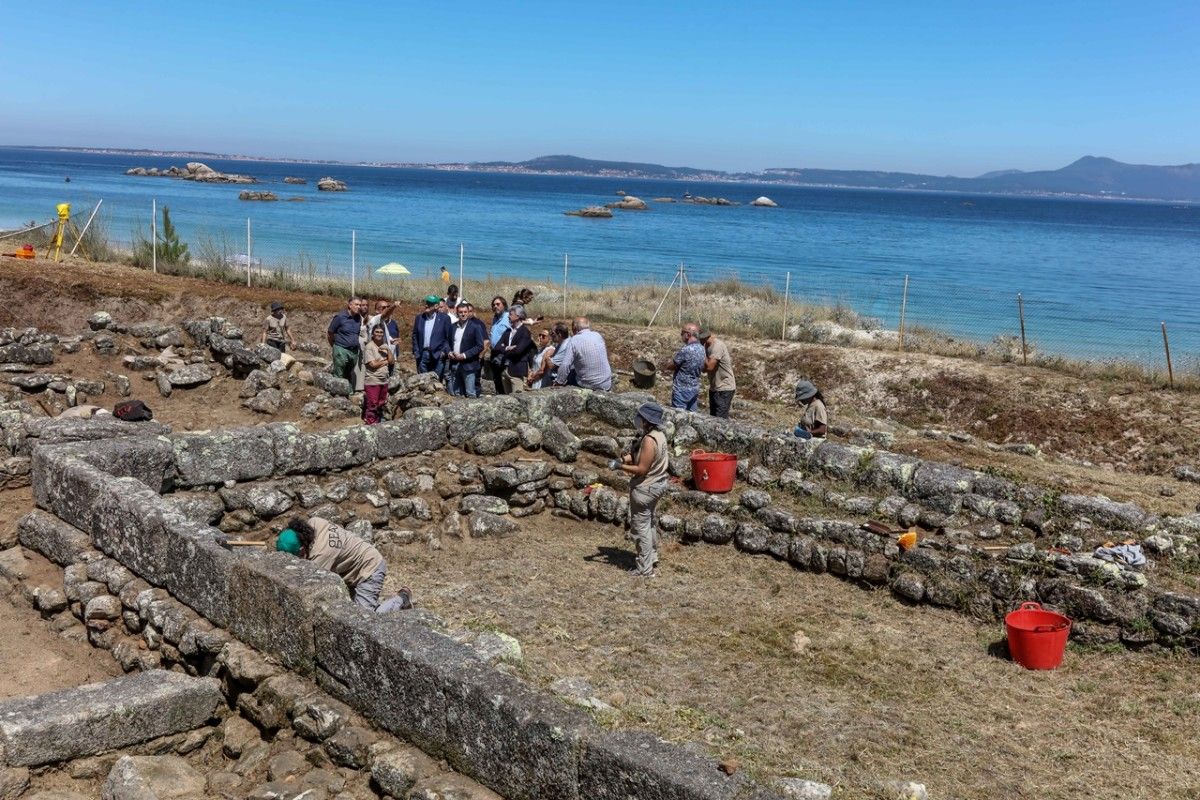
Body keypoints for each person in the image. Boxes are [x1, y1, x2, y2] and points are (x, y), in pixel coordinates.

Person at [276, 517, 411, 612]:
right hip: (353, 564)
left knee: (364, 621)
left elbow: (307, 584)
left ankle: (401, 599)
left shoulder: (322, 554)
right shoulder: (314, 523)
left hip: (369, 568)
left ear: (301, 550)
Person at [614, 402, 670, 578]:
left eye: (640, 417)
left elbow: (642, 469)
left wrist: (619, 466)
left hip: (646, 487)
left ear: (646, 420)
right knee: (649, 523)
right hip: (658, 485)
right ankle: (652, 558)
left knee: (640, 527)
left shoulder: (648, 440)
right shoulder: (659, 435)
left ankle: (645, 569)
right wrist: (628, 457)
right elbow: (644, 458)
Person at [551, 317, 613, 390]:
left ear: (574, 328)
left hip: (589, 385)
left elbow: (565, 365)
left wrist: (559, 382)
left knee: (570, 373)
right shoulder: (598, 335)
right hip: (606, 384)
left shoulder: (574, 340)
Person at [446, 302, 487, 397]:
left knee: (470, 393)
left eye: (465, 312)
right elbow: (446, 342)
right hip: (454, 363)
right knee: (456, 393)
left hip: (469, 365)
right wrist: (449, 352)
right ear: (457, 313)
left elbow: (480, 346)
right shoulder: (452, 327)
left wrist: (464, 355)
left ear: (468, 313)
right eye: (461, 312)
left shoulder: (475, 327)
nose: (463, 314)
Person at [493, 304, 535, 394]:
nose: (508, 316)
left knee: (518, 400)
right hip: (505, 370)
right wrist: (508, 348)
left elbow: (518, 351)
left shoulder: (525, 332)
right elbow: (497, 346)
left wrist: (504, 348)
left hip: (516, 371)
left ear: (518, 316)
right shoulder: (508, 331)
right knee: (507, 400)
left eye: (511, 314)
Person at [410, 295, 453, 379]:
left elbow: (448, 338)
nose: (426, 305)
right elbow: (415, 335)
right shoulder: (419, 318)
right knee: (422, 382)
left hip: (438, 355)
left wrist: (444, 352)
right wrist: (416, 351)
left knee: (436, 382)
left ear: (436, 306)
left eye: (429, 304)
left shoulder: (445, 319)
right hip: (422, 355)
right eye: (426, 303)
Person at [327, 296, 364, 384]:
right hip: (341, 349)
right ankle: (338, 395)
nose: (359, 307)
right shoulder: (340, 317)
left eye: (360, 305)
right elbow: (330, 332)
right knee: (339, 374)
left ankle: (349, 393)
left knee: (350, 374)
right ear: (350, 305)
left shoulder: (358, 318)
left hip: (354, 351)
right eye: (356, 304)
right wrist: (334, 346)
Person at [669, 323, 706, 411]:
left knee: (679, 415)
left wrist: (666, 366)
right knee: (693, 415)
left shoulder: (686, 350)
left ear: (688, 334)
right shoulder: (702, 348)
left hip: (681, 389)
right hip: (694, 387)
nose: (681, 335)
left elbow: (673, 365)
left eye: (682, 333)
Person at [700, 328, 736, 418]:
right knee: (713, 416)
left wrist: (702, 352)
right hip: (715, 387)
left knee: (720, 418)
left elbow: (709, 367)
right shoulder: (706, 346)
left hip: (724, 387)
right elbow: (704, 369)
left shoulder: (717, 346)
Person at [362, 324, 393, 424]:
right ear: (373, 334)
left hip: (384, 380)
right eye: (377, 332)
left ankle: (378, 421)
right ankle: (371, 423)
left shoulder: (385, 346)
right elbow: (373, 364)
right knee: (372, 404)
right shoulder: (369, 347)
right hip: (373, 380)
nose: (379, 334)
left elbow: (392, 361)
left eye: (381, 332)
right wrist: (385, 361)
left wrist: (388, 350)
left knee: (381, 402)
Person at [526, 322, 565, 388]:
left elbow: (542, 371)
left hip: (542, 381)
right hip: (535, 380)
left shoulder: (550, 350)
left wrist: (532, 379)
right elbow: (534, 366)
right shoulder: (540, 350)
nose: (540, 337)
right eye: (539, 335)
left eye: (543, 336)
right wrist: (530, 374)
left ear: (549, 338)